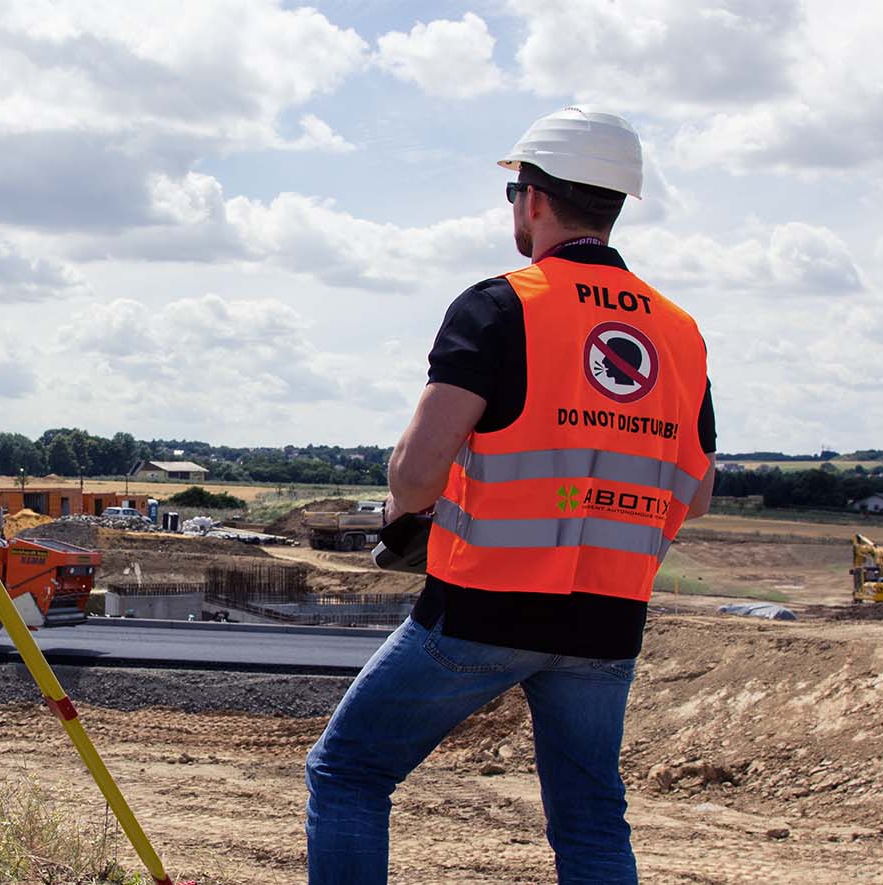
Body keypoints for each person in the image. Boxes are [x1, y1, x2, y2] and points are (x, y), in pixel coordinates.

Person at [305, 106, 718, 884]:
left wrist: (417, 507)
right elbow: (695, 495)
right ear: (616, 203)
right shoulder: (680, 332)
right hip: (606, 621)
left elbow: (415, 474)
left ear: (532, 197)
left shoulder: (498, 307)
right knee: (591, 818)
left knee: (348, 772)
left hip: (480, 611)